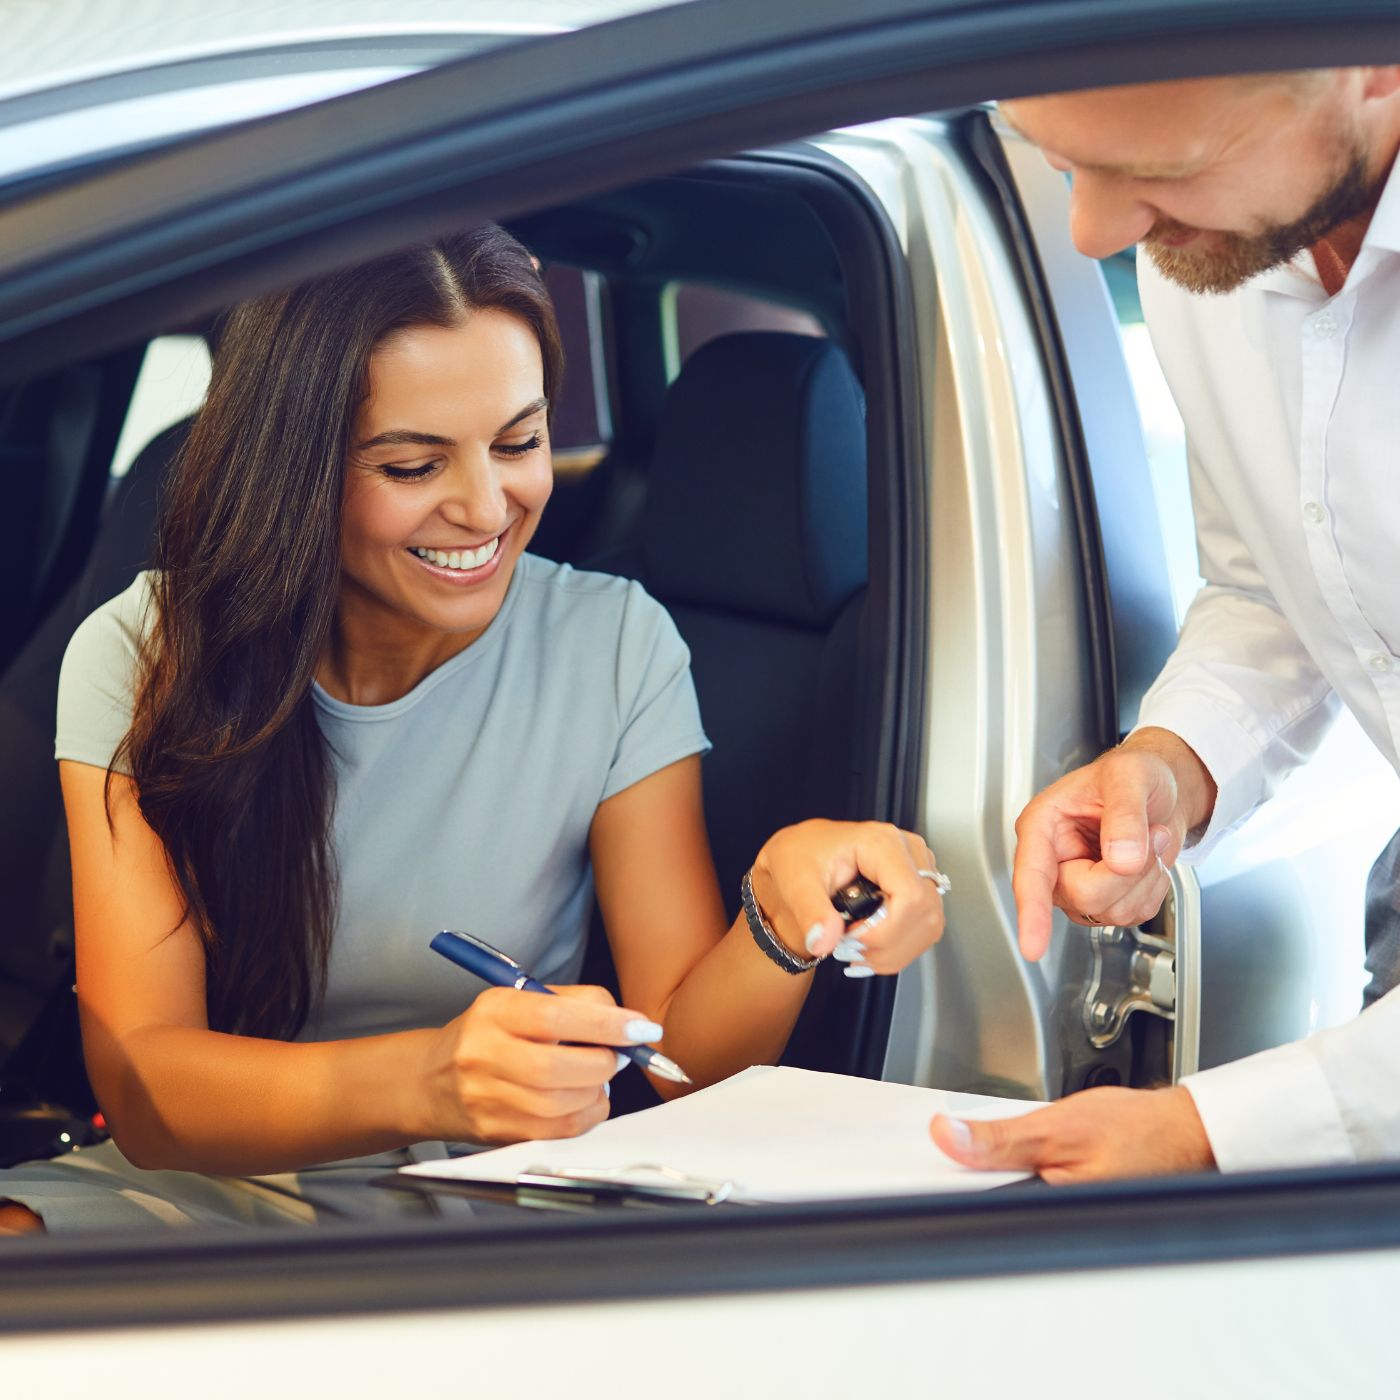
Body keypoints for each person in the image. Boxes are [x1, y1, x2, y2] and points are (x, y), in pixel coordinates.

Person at [0, 225, 946, 1233]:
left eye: (519, 441)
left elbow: (679, 1064)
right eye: (413, 465)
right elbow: (148, 1087)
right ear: (293, 471)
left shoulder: (615, 643)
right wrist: (429, 1079)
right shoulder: (145, 650)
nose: (488, 506)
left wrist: (774, 914)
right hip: (199, 1189)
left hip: (492, 1206)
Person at [930, 67, 1400, 1182]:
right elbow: (1273, 589)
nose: (1094, 233)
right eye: (1057, 163)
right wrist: (1168, 761)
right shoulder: (1207, 250)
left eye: (1156, 170)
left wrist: (1205, 1133)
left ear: (1370, 64)